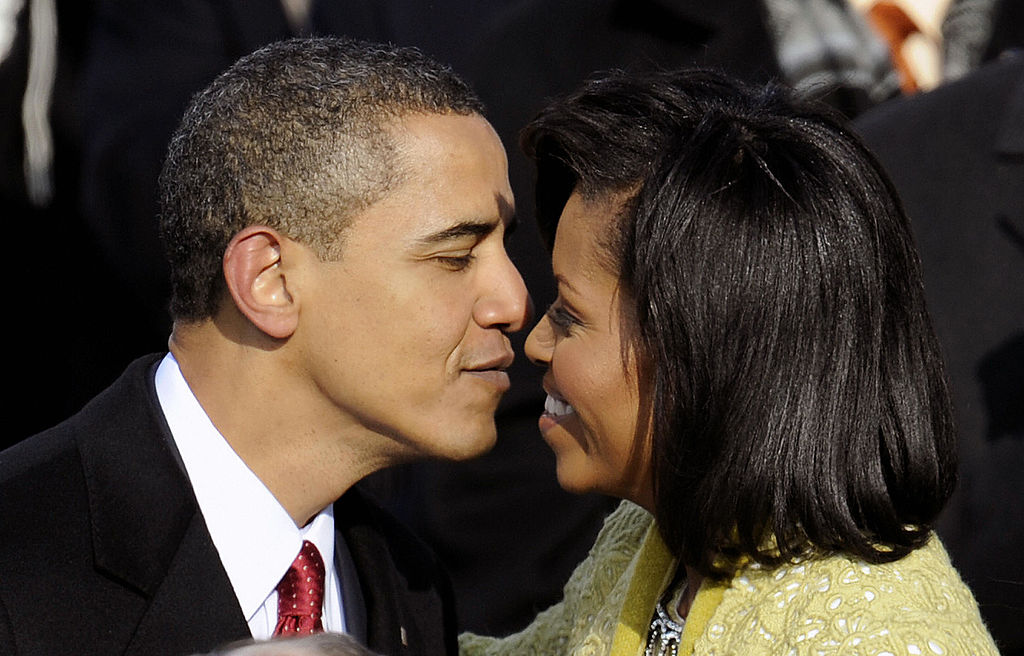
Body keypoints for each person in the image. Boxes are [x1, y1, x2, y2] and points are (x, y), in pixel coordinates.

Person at [0, 37, 528, 656]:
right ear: (269, 281)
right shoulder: (19, 564)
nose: (514, 302)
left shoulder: (408, 586)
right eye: (455, 256)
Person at [460, 69, 999, 654]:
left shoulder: (877, 639)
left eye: (569, 314)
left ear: (702, 352)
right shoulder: (651, 542)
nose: (536, 343)